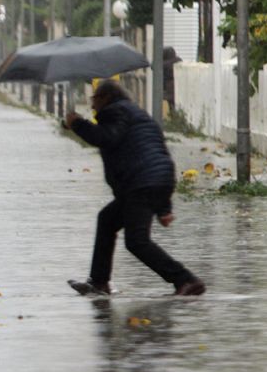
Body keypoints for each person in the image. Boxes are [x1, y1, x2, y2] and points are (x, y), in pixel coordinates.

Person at [64, 79, 206, 297]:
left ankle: (186, 280)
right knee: (107, 219)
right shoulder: (136, 114)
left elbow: (107, 138)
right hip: (155, 180)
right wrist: (163, 208)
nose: (92, 106)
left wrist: (78, 124)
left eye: (95, 100)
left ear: (106, 98)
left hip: (141, 183)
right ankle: (99, 282)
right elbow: (155, 155)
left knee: (136, 242)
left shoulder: (115, 113)